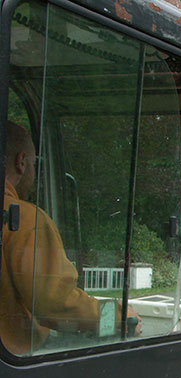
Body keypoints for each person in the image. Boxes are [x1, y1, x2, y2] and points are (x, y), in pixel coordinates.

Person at [1, 121, 140, 354]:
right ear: (21, 162)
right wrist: (120, 318)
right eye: (35, 165)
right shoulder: (24, 220)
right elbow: (55, 305)